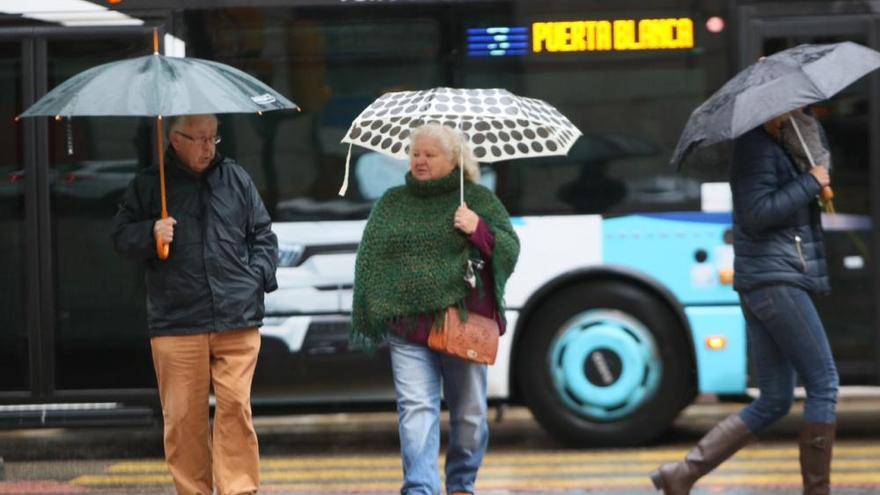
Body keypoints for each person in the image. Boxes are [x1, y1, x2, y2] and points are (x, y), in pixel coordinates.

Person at [650, 110, 839, 495]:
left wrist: (813, 182)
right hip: (776, 280)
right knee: (824, 384)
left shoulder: (782, 145)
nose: (798, 113)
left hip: (769, 280)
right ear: (768, 110)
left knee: (774, 399)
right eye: (792, 107)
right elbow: (757, 214)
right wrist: (808, 183)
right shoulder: (756, 148)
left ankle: (682, 474)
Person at [113, 114, 278, 495]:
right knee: (184, 421)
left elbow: (263, 235)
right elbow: (120, 236)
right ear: (174, 139)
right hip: (177, 320)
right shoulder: (150, 185)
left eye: (213, 138)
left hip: (237, 318)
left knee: (236, 410)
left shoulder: (236, 178)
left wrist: (256, 280)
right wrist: (150, 232)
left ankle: (238, 490)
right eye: (199, 139)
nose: (208, 147)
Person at [351, 123, 520, 495]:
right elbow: (371, 258)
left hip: (462, 325)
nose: (420, 160)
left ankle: (461, 483)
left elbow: (509, 249)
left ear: (453, 160)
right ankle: (420, 487)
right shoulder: (393, 202)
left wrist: (478, 229)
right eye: (415, 154)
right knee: (416, 411)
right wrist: (381, 302)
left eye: (430, 154)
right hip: (408, 329)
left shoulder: (476, 199)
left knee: (470, 415)